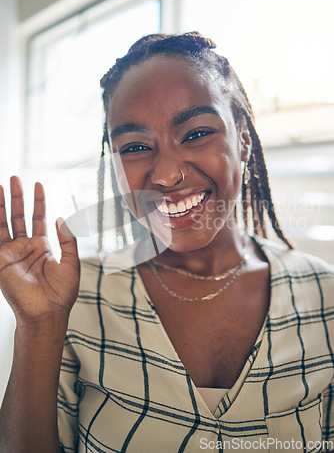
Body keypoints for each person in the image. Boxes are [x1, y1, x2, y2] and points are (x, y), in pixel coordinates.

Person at [0, 32, 333, 453]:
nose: (166, 174)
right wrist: (38, 326)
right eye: (136, 146)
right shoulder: (76, 295)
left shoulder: (326, 294)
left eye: (195, 134)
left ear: (243, 139)